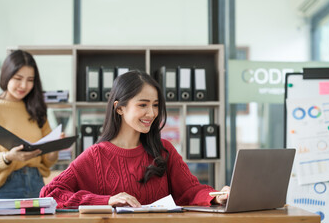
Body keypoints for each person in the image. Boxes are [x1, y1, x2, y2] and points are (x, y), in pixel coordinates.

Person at [40, 70, 229, 208]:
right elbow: (50, 193)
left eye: (155, 105)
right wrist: (106, 200)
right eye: (143, 105)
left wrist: (216, 196)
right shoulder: (96, 155)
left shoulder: (163, 149)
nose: (152, 113)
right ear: (119, 108)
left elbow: (190, 191)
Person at [0, 50, 60, 202]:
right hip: (3, 187)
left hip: (36, 183)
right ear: (6, 76)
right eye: (18, 78)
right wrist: (7, 157)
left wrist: (55, 147)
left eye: (30, 80)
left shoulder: (36, 108)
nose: (24, 85)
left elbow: (47, 161)